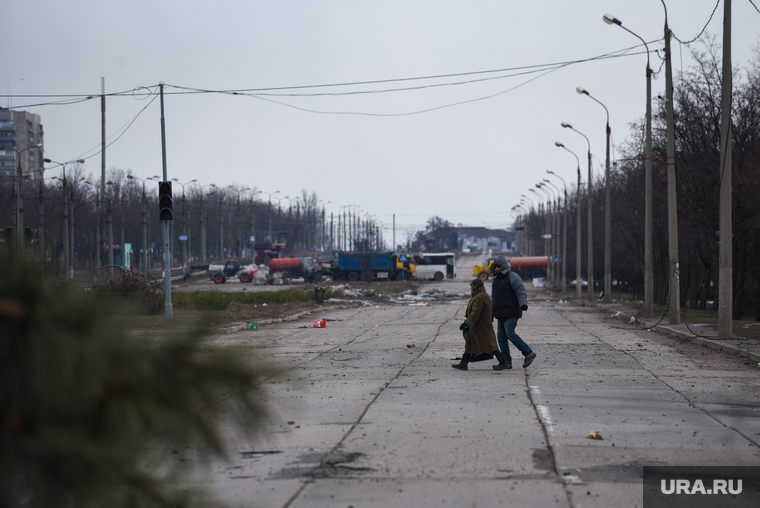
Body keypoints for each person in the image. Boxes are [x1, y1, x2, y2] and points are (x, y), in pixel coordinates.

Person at [490, 256, 536, 370]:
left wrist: (523, 304)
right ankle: (506, 362)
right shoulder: (496, 280)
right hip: (500, 313)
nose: (496, 269)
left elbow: (520, 291)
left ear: (503, 266)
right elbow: (493, 299)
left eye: (498, 267)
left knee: (509, 333)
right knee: (501, 338)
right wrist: (491, 314)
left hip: (512, 312)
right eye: (495, 267)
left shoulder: (513, 277)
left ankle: (528, 353)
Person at [452, 278, 508, 371]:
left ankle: (503, 362)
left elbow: (475, 313)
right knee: (470, 343)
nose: (470, 288)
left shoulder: (479, 297)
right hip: (478, 326)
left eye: (471, 287)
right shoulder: (481, 295)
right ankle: (463, 363)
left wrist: (466, 323)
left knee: (491, 345)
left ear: (475, 287)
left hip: (481, 326)